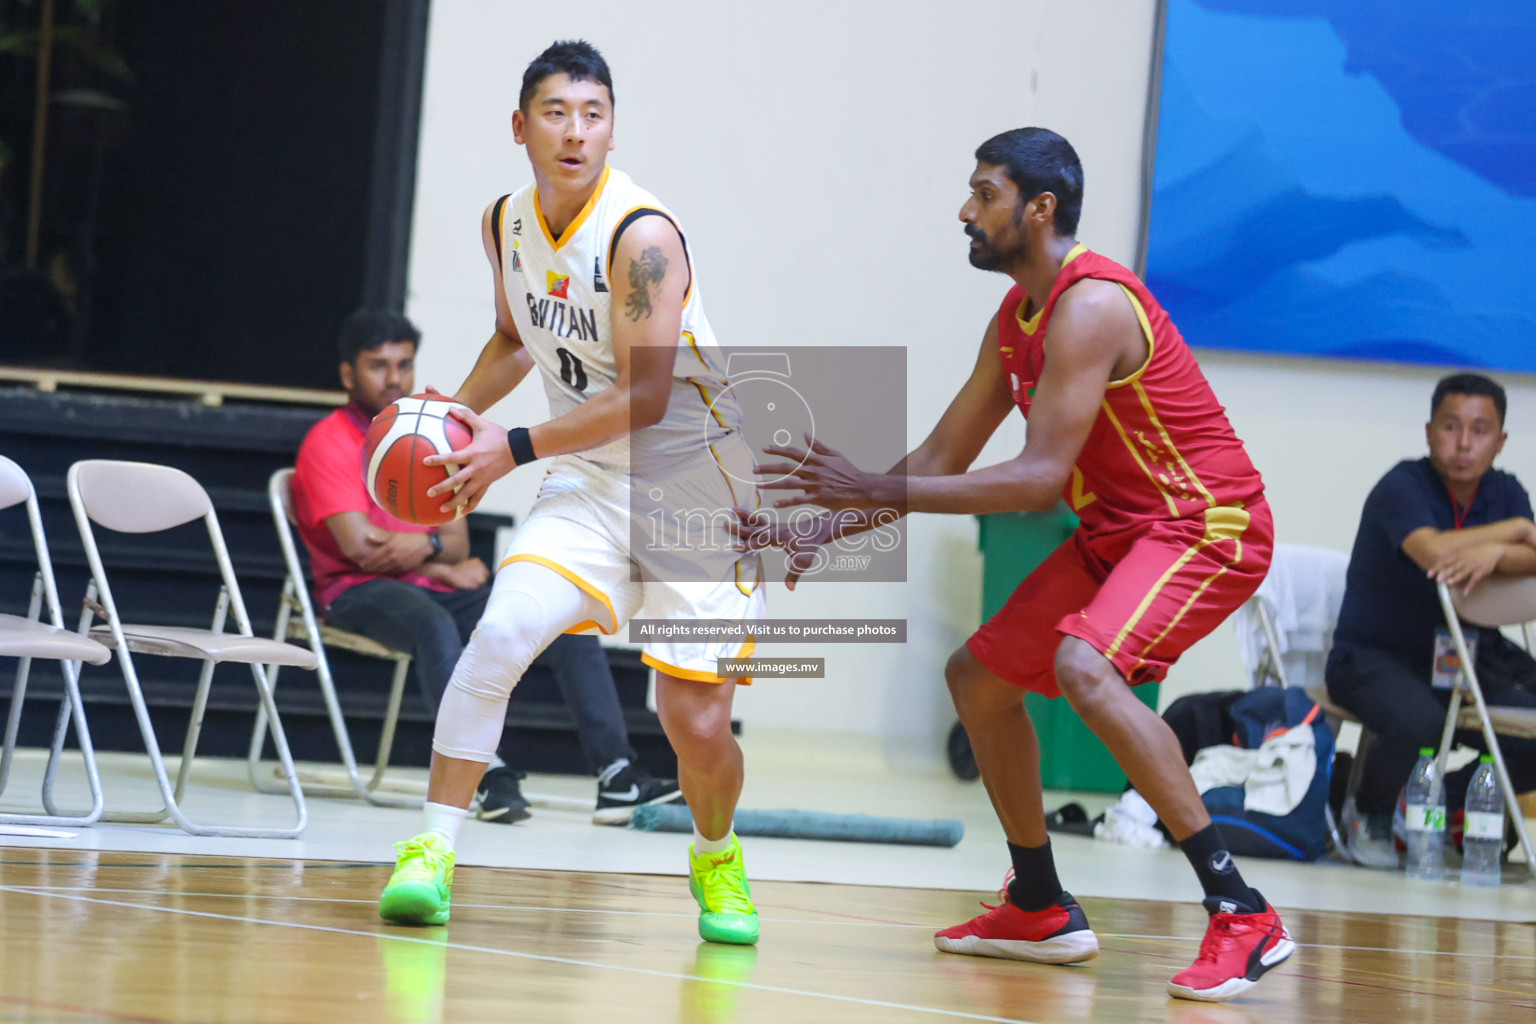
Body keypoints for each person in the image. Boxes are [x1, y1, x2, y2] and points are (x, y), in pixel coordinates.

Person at [745, 128, 1291, 1002]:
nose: (966, 211)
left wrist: (871, 487)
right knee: (979, 678)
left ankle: (1242, 909)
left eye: (984, 193)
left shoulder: (1092, 306)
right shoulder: (1016, 319)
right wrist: (834, 516)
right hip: (1120, 531)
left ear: (1040, 209)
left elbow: (1038, 482)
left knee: (1085, 663)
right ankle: (1037, 903)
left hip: (1206, 524)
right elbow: (943, 455)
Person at [376, 42, 764, 945]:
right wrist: (451, 414)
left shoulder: (643, 239)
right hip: (590, 478)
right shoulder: (505, 224)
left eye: (593, 114)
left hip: (696, 482)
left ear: (612, 127)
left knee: (691, 721)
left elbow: (647, 396)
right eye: (556, 113)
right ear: (522, 127)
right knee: (503, 630)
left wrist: (508, 446)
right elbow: (517, 335)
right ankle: (432, 851)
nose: (575, 132)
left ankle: (718, 854)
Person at [292, 308, 681, 825]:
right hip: (356, 592)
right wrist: (441, 559)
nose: (394, 379)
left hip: (428, 584)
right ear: (348, 374)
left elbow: (454, 539)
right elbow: (363, 548)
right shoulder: (328, 441)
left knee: (564, 615)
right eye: (378, 366)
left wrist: (434, 553)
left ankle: (618, 775)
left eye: (404, 366)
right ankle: (484, 774)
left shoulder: (432, 431)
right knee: (431, 622)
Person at [1326, 372, 1536, 868]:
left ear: (1501, 441)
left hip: (1468, 654)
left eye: (1480, 430)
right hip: (1374, 656)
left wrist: (1493, 555)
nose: (1464, 443)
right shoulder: (1401, 486)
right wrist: (1513, 532)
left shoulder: (1503, 489)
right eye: (1451, 427)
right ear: (1428, 432)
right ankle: (1370, 813)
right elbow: (1435, 553)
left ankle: (1439, 800)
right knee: (1422, 721)